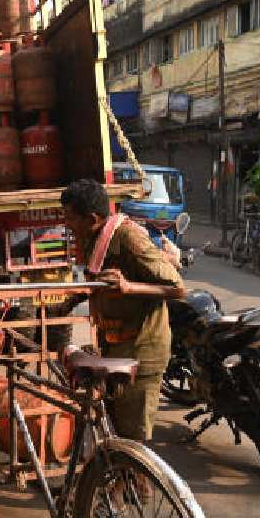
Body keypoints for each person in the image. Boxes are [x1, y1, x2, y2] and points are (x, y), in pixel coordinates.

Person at [59, 179, 185, 442]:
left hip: (142, 350)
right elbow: (99, 282)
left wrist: (128, 287)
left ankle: (140, 483)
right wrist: (64, 304)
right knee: (115, 433)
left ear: (92, 218)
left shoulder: (128, 238)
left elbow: (176, 288)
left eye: (70, 218)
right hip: (115, 348)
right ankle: (120, 482)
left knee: (133, 442)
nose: (66, 224)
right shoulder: (95, 239)